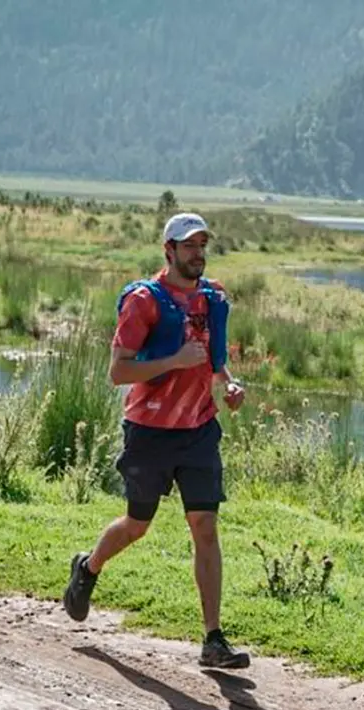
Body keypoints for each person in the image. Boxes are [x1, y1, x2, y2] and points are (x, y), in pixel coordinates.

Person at [63, 212, 249, 668]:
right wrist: (175, 360)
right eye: (189, 246)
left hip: (199, 430)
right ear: (168, 250)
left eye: (203, 245)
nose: (198, 253)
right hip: (148, 432)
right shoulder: (145, 301)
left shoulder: (213, 299)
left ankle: (212, 640)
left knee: (204, 526)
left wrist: (227, 383)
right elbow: (118, 371)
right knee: (137, 525)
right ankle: (88, 567)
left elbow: (212, 359)